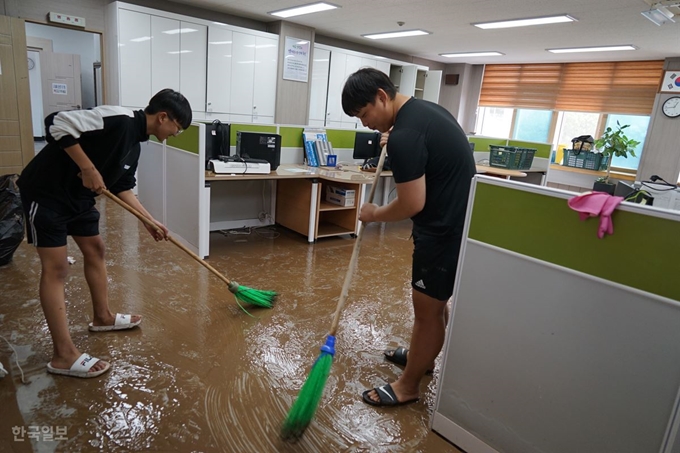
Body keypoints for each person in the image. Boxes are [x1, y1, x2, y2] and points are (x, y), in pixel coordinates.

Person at [17, 89, 192, 378]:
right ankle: (63, 355)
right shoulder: (119, 119)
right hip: (46, 194)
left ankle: (103, 317)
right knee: (57, 268)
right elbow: (56, 122)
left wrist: (149, 221)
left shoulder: (135, 144)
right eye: (178, 127)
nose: (177, 133)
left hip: (79, 200)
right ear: (163, 117)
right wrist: (87, 167)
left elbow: (123, 185)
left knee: (96, 249)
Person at [341, 68, 476, 406]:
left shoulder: (405, 135)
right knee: (435, 306)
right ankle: (423, 358)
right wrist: (395, 135)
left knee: (427, 312)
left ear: (382, 97)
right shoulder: (424, 112)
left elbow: (411, 203)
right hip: (458, 224)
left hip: (442, 233)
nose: (364, 124)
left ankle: (408, 386)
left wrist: (373, 213)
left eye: (364, 114)